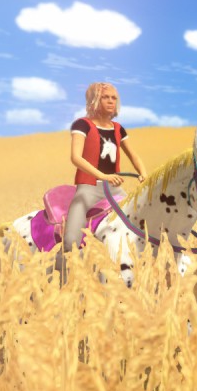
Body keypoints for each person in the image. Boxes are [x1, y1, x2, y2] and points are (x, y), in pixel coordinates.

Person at [55, 82, 147, 281]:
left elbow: (133, 155)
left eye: (114, 98)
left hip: (115, 191)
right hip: (88, 189)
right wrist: (102, 176)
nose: (111, 101)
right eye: (106, 97)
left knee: (139, 225)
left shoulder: (118, 129)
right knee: (71, 239)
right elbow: (76, 158)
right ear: (94, 100)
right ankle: (64, 277)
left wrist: (143, 173)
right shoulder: (82, 125)